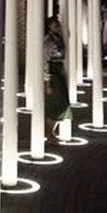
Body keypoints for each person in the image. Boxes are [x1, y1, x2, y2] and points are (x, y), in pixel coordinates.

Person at [43, 16, 71, 144]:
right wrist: (47, 82)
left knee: (62, 104)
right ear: (49, 26)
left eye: (58, 24)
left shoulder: (59, 39)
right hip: (52, 73)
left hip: (59, 72)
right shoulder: (48, 41)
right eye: (55, 25)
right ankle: (48, 134)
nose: (57, 26)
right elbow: (45, 61)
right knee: (56, 105)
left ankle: (51, 132)